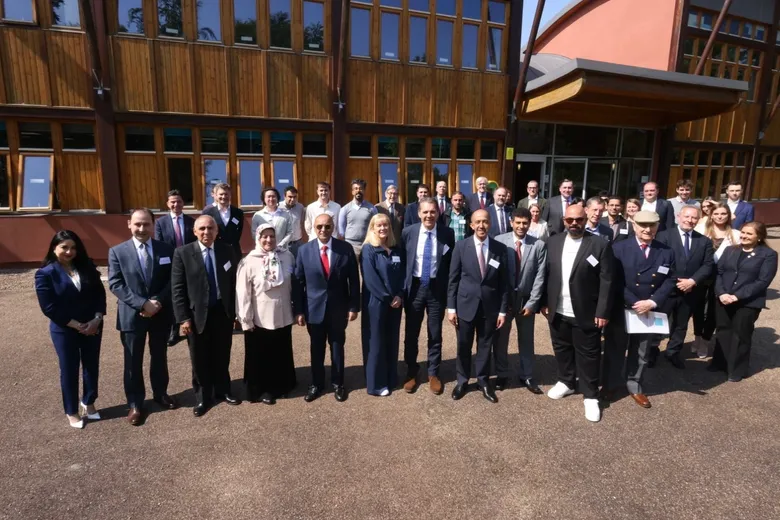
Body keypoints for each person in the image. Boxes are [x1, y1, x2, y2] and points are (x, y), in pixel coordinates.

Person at [542, 205, 613, 423]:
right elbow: (546, 273)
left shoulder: (599, 244)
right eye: (570, 220)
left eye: (579, 220)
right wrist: (545, 302)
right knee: (561, 348)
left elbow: (607, 280)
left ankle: (591, 395)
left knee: (589, 354)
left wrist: (602, 310)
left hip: (587, 312)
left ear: (586, 219)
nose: (574, 224)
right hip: (558, 309)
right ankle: (566, 381)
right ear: (564, 220)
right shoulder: (553, 242)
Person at [108, 208, 178, 426]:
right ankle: (135, 403)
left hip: (160, 313)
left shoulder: (166, 250)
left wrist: (156, 301)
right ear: (129, 224)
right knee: (132, 361)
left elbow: (172, 280)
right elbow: (116, 284)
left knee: (159, 356)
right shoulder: (117, 252)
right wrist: (142, 303)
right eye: (137, 224)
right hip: (132, 315)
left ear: (153, 225)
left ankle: (160, 393)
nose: (141, 228)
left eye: (146, 224)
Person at [35, 231, 106, 429]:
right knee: (69, 369)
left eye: (73, 247)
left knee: (91, 365)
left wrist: (96, 319)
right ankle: (71, 411)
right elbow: (48, 307)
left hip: (93, 325)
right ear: (54, 248)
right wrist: (77, 325)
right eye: (64, 247)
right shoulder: (45, 273)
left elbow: (99, 295)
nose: (69, 251)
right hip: (65, 330)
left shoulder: (86, 266)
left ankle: (89, 402)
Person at [172, 215, 241, 417]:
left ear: (216, 231)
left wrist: (235, 313)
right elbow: (177, 289)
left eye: (210, 228)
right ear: (194, 232)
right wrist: (183, 318)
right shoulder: (182, 253)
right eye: (201, 229)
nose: (206, 232)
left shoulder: (227, 250)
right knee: (199, 357)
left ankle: (223, 390)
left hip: (222, 312)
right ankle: (203, 396)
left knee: (222, 353)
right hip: (196, 315)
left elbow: (234, 283)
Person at [609, 211, 676, 409]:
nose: (647, 230)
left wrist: (653, 302)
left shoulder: (666, 251)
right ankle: (611, 384)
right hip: (624, 307)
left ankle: (634, 384)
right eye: (643, 226)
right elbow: (613, 279)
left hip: (649, 309)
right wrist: (635, 301)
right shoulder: (618, 248)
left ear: (657, 227)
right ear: (634, 226)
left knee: (642, 351)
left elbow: (671, 279)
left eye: (652, 226)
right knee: (616, 348)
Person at [295, 213, 360, 402]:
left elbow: (354, 281)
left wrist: (354, 306)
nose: (323, 230)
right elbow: (299, 283)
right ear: (314, 228)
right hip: (313, 309)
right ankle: (316, 384)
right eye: (319, 227)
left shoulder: (345, 249)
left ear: (334, 228)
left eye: (327, 226)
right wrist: (299, 310)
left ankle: (338, 383)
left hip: (338, 309)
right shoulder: (304, 251)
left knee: (337, 347)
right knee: (316, 349)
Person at [447, 209, 509, 403]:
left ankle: (483, 381)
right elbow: (453, 280)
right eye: (477, 222)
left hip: (490, 308)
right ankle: (462, 380)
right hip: (465, 306)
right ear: (471, 225)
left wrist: (502, 310)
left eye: (485, 222)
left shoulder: (500, 249)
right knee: (463, 346)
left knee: (485, 346)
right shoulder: (461, 247)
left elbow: (504, 283)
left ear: (490, 224)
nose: (481, 225)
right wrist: (451, 308)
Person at [236, 224, 298, 405]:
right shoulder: (249, 261)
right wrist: (245, 319)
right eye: (264, 236)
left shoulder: (287, 256)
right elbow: (243, 292)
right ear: (258, 238)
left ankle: (283, 385)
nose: (269, 240)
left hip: (283, 313)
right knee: (261, 355)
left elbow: (294, 283)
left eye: (272, 236)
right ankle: (263, 390)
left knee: (281, 352)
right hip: (260, 317)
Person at [710, 222, 777, 381]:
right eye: (743, 233)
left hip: (747, 302)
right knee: (723, 331)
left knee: (741, 335)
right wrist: (721, 293)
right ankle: (720, 363)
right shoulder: (730, 250)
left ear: (759, 237)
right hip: (724, 298)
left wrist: (737, 296)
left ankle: (736, 370)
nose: (744, 236)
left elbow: (763, 281)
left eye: (749, 234)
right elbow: (719, 272)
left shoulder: (768, 254)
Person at [401, 198, 455, 394]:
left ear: (438, 213)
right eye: (425, 212)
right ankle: (411, 371)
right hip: (414, 289)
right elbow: (404, 263)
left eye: (432, 212)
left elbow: (449, 265)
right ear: (418, 213)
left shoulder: (447, 233)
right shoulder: (408, 232)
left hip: (436, 290)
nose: (429, 215)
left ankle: (433, 372)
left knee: (435, 333)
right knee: (411, 333)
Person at [493, 207, 547, 394]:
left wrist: (533, 303)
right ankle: (501, 374)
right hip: (504, 301)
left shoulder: (538, 245)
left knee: (526, 340)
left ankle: (527, 375)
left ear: (530, 223)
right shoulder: (500, 241)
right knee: (501, 339)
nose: (521, 226)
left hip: (526, 301)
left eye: (525, 223)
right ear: (511, 223)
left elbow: (540, 276)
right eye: (518, 222)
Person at [654, 206, 714, 369]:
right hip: (666, 290)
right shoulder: (663, 236)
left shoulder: (704, 241)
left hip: (690, 291)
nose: (690, 220)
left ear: (698, 220)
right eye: (686, 216)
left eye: (694, 218)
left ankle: (673, 352)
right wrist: (677, 282)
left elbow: (708, 265)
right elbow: (660, 261)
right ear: (678, 217)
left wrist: (692, 281)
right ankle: (652, 352)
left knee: (681, 325)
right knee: (658, 322)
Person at [360, 214, 405, 396]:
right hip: (377, 303)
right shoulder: (368, 250)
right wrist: (389, 298)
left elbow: (403, 275)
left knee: (391, 340)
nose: (382, 229)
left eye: (386, 225)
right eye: (378, 225)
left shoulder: (395, 249)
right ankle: (376, 385)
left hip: (395, 303)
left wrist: (400, 295)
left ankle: (391, 378)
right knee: (376, 342)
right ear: (372, 228)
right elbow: (371, 280)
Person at [693, 202, 741, 356]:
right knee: (698, 308)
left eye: (723, 214)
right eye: (716, 213)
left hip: (722, 277)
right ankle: (697, 337)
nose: (720, 217)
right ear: (711, 215)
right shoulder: (701, 230)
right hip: (702, 274)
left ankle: (706, 340)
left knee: (715, 310)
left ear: (728, 216)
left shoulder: (736, 234)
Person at [154, 189, 196, 346]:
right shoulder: (160, 223)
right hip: (170, 265)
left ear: (183, 203)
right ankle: (173, 332)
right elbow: (159, 244)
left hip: (189, 264)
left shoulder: (191, 222)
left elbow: (193, 244)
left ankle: (190, 324)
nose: (176, 204)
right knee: (174, 298)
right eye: (172, 201)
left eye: (178, 201)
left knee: (188, 294)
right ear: (168, 204)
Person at [202, 183, 245, 259]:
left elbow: (239, 233)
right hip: (215, 252)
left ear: (230, 195)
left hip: (234, 252)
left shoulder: (238, 213)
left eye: (226, 194)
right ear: (216, 196)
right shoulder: (208, 212)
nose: (223, 197)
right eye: (221, 194)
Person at [338, 178, 377, 256]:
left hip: (367, 244)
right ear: (352, 191)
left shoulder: (372, 208)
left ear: (364, 191)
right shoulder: (345, 209)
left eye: (361, 188)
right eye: (355, 189)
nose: (358, 191)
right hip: (350, 245)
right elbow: (341, 231)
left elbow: (375, 227)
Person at [281, 186, 307, 258]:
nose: (292, 199)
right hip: (283, 244)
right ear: (284, 196)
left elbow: (303, 222)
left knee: (298, 265)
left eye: (295, 197)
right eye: (290, 197)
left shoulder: (300, 207)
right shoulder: (278, 207)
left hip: (297, 243)